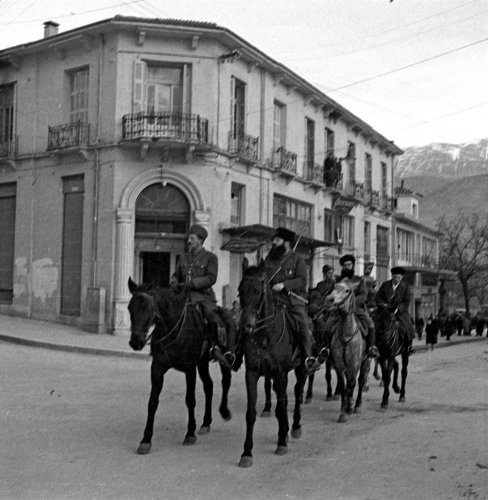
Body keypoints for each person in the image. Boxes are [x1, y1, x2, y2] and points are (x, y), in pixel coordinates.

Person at [170, 224, 234, 367]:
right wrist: (173, 283)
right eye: (189, 238)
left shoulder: (211, 258)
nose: (189, 241)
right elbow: (176, 275)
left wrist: (193, 283)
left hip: (203, 297)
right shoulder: (184, 257)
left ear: (200, 240)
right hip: (183, 295)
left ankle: (214, 347)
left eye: (192, 238)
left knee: (211, 316)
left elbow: (211, 278)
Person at [263, 227, 320, 373]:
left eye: (277, 240)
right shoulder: (269, 258)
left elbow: (302, 280)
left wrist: (284, 285)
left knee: (303, 326)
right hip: (271, 301)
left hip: (291, 302)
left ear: (287, 242)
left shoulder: (297, 259)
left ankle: (308, 359)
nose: (274, 242)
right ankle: (236, 353)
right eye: (274, 239)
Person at [320, 254, 379, 360]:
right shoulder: (337, 280)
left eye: (349, 265)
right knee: (328, 324)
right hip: (338, 309)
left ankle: (371, 347)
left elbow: (363, 295)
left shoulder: (359, 280)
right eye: (345, 265)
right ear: (342, 267)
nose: (347, 267)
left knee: (370, 323)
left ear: (353, 266)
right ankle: (326, 348)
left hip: (355, 308)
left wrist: (350, 302)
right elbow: (331, 293)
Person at [375, 266, 415, 355]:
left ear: (401, 277)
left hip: (399, 313)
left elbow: (406, 302)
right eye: (394, 277)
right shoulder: (385, 285)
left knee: (408, 326)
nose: (396, 279)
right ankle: (373, 346)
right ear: (392, 276)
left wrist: (397, 309)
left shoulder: (405, 287)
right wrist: (383, 304)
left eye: (398, 277)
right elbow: (378, 297)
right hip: (384, 311)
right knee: (375, 324)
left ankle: (409, 346)